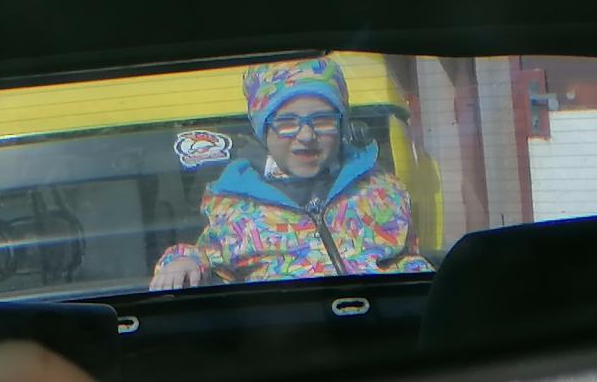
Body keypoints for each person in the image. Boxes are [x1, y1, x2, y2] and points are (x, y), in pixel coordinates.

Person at [150, 57, 432, 290]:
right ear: (263, 130)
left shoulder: (379, 188)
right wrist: (182, 262)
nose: (306, 135)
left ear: (341, 123)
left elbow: (407, 259)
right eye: (286, 122)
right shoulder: (235, 206)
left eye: (322, 120)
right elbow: (208, 260)